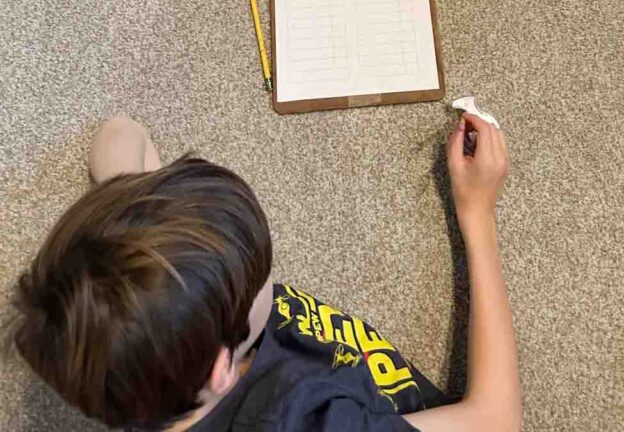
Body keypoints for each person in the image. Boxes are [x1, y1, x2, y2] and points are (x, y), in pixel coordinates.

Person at [8, 113, 522, 432]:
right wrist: (477, 213)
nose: (265, 276)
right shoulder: (299, 415)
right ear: (221, 368)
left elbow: (119, 132)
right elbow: (496, 422)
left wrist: (138, 200)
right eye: (258, 276)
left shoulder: (135, 367)